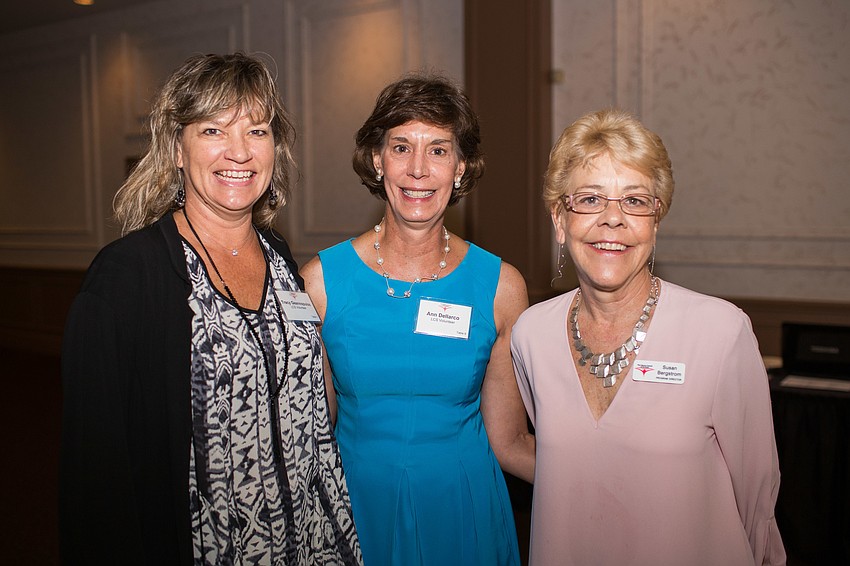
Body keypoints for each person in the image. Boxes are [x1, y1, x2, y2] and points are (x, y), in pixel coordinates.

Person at [59, 52, 362, 566]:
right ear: (176, 148)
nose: (239, 152)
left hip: (310, 539)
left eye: (258, 131)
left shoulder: (282, 259)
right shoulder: (128, 277)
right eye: (213, 130)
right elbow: (96, 470)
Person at [510, 108, 786, 565]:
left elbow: (757, 502)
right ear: (560, 220)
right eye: (590, 199)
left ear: (655, 223)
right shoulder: (531, 335)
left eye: (635, 201)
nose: (612, 220)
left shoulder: (720, 333)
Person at [301, 75, 535, 566]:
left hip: (462, 506)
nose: (418, 170)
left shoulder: (501, 287)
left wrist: (609, 475)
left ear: (461, 165)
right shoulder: (321, 282)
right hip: (355, 504)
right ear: (376, 159)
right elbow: (313, 432)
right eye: (401, 146)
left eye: (438, 150)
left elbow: (508, 439)